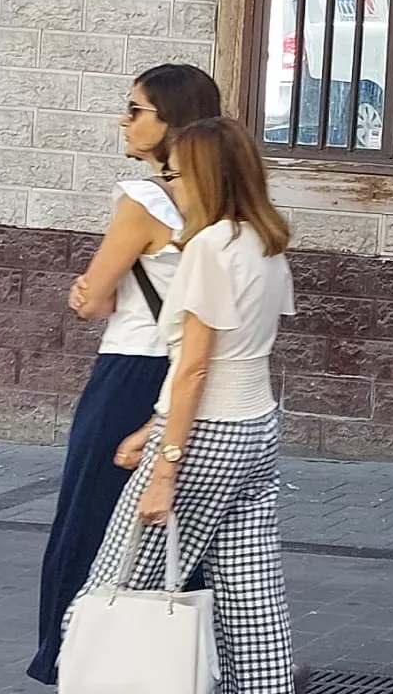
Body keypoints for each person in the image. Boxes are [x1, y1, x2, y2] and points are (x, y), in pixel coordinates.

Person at [70, 117, 297, 694]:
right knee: (253, 602)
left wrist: (165, 464)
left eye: (177, 172)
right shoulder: (265, 243)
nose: (172, 185)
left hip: (206, 437)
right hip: (256, 430)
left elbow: (195, 365)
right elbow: (234, 359)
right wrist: (154, 428)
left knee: (110, 591)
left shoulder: (209, 248)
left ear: (202, 175)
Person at [29, 63, 222, 685]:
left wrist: (84, 293)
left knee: (92, 514)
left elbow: (96, 297)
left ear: (171, 121)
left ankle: (75, 655)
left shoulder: (142, 201)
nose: (124, 118)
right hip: (196, 374)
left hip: (130, 371)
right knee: (180, 523)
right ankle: (173, 659)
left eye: (136, 109)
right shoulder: (223, 197)